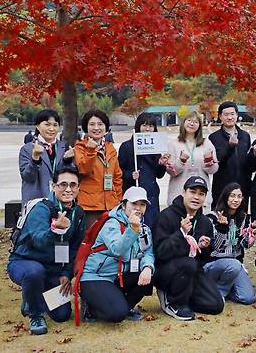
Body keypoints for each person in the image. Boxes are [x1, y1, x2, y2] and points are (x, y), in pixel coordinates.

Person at [8, 166, 86, 335]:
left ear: (78, 188)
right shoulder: (42, 208)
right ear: (53, 186)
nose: (68, 189)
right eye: (63, 184)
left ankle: (33, 296)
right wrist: (55, 230)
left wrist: (66, 273)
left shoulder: (78, 213)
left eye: (73, 185)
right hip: (25, 262)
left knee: (62, 315)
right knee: (35, 272)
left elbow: (74, 248)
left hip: (53, 268)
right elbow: (38, 240)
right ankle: (34, 312)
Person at [152, 176, 224, 320]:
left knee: (215, 305)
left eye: (201, 194)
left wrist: (204, 247)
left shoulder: (205, 222)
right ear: (183, 192)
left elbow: (204, 259)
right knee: (188, 263)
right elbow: (160, 252)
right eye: (193, 192)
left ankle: (184, 297)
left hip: (190, 273)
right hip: (165, 271)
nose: (196, 197)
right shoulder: (165, 216)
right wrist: (181, 233)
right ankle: (173, 301)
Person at [79, 186, 155, 322]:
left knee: (152, 274)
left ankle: (124, 306)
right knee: (116, 314)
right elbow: (117, 249)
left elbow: (147, 252)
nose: (138, 208)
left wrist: (148, 268)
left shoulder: (144, 228)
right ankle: (91, 307)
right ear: (124, 205)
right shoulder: (112, 224)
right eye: (134, 204)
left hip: (118, 276)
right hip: (96, 276)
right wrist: (133, 229)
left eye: (142, 204)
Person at [204, 183, 256, 305]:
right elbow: (215, 247)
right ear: (225, 197)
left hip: (236, 263)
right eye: (232, 196)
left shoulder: (243, 218)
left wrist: (253, 230)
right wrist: (222, 229)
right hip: (214, 263)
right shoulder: (212, 217)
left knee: (248, 298)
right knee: (234, 265)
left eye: (239, 196)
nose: (236, 200)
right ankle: (218, 294)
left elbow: (245, 245)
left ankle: (225, 289)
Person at [118, 113, 170, 228]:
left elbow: (159, 175)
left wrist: (161, 164)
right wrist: (130, 175)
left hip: (151, 195)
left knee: (152, 228)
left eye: (151, 126)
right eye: (144, 125)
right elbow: (118, 172)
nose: (147, 129)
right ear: (138, 127)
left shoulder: (156, 148)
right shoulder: (127, 146)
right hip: (134, 195)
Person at [74, 110, 123, 228]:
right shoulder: (80, 147)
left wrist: (117, 199)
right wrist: (91, 151)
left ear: (106, 127)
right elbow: (83, 170)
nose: (96, 128)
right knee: (91, 241)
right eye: (92, 124)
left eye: (100, 124)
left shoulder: (110, 148)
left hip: (110, 205)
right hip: (90, 206)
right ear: (86, 127)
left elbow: (117, 177)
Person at [19, 109, 74, 204]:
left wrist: (67, 161)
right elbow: (28, 177)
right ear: (37, 126)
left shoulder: (64, 147)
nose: (51, 129)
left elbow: (71, 176)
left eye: (55, 125)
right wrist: (35, 159)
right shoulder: (27, 149)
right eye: (47, 124)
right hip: (36, 201)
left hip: (60, 201)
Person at [166, 111, 219, 208]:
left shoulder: (206, 143)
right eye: (189, 120)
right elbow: (171, 171)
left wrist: (209, 161)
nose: (192, 123)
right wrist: (181, 161)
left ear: (199, 125)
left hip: (200, 195)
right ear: (183, 123)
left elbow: (214, 170)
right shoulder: (173, 144)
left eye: (196, 122)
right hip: (178, 195)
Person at [208, 101, 252, 208]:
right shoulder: (213, 138)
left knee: (241, 219)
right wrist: (230, 147)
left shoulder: (245, 136)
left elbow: (248, 162)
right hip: (222, 187)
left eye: (232, 114)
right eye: (226, 114)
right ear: (220, 117)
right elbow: (216, 161)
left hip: (242, 187)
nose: (230, 117)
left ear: (237, 115)